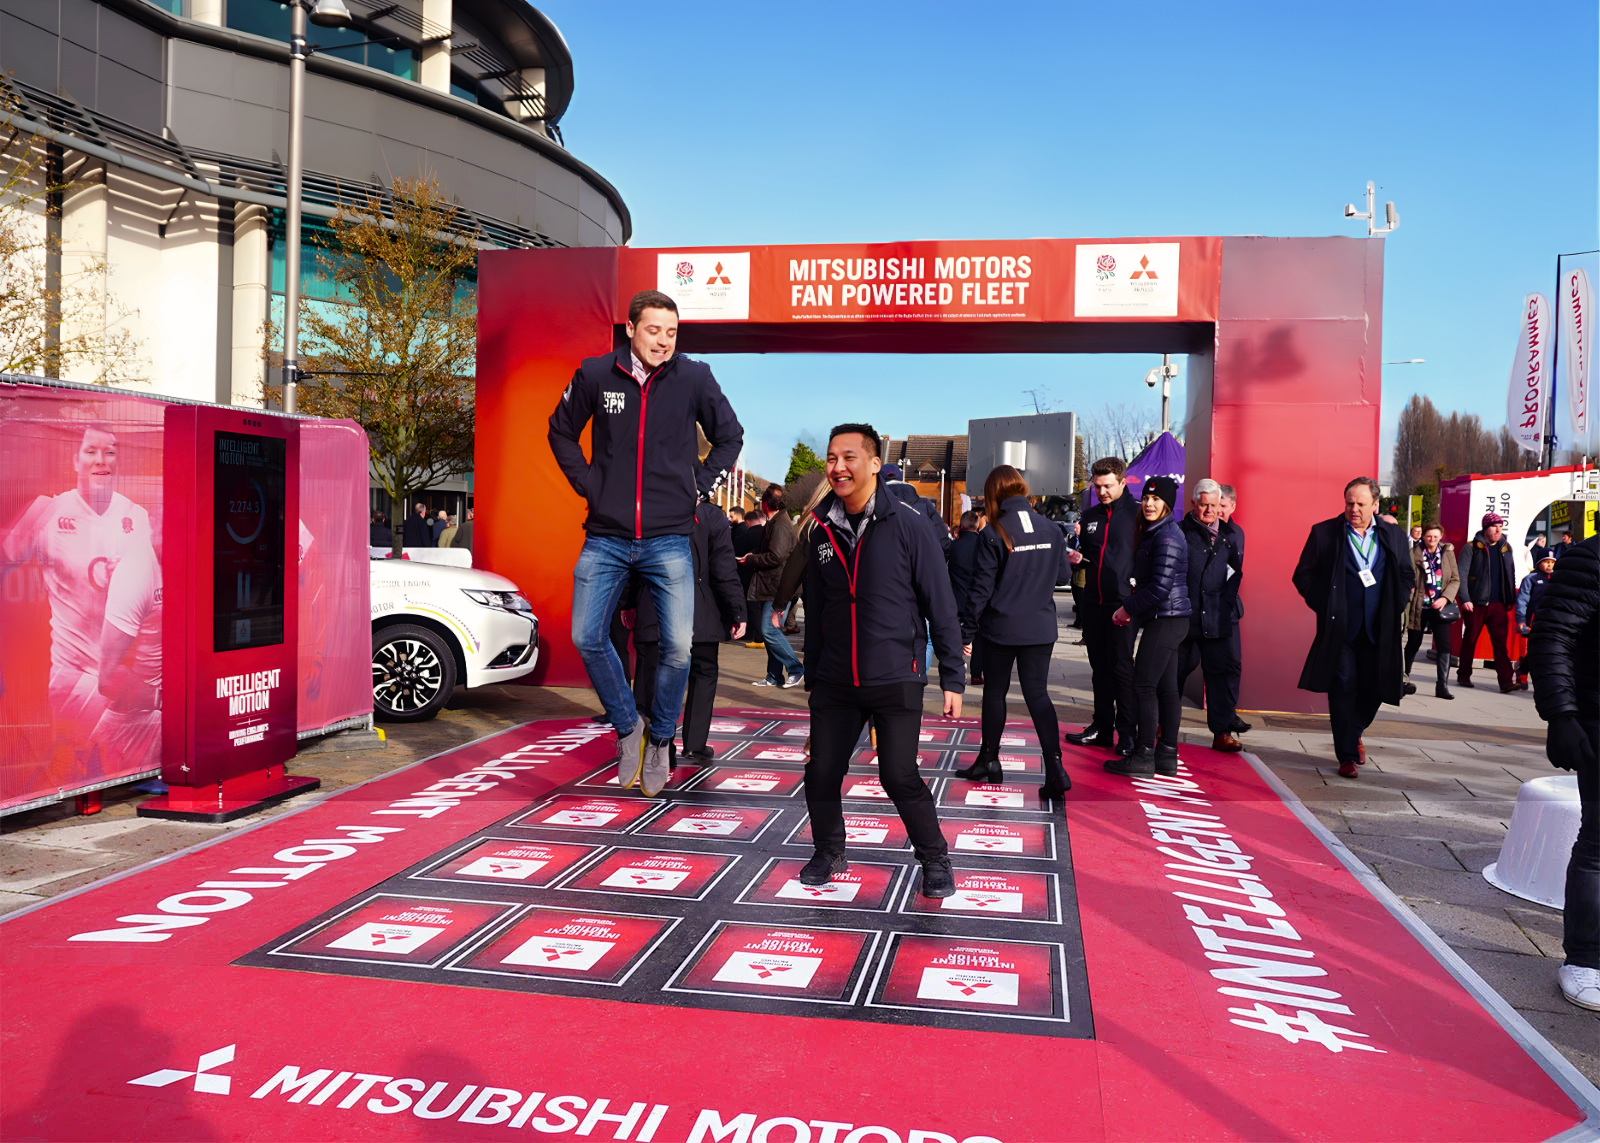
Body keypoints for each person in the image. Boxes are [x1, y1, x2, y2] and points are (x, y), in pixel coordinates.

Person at [547, 288, 745, 795]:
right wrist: (590, 485)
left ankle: (659, 736)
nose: (663, 341)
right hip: (607, 536)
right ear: (631, 329)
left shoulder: (694, 378)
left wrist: (699, 485)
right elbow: (560, 432)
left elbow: (730, 435)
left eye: (672, 333)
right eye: (654, 330)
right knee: (587, 637)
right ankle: (628, 726)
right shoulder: (595, 374)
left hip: (669, 536)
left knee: (679, 646)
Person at [796, 423, 963, 899]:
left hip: (895, 674)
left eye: (849, 457)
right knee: (822, 770)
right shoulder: (821, 529)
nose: (838, 467)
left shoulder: (909, 524)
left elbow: (940, 602)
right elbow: (817, 606)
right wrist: (813, 676)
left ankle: (934, 858)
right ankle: (829, 850)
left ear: (874, 463)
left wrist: (953, 674)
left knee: (898, 773)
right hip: (834, 679)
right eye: (831, 458)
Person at [2, 425, 154, 783]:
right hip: (74, 680)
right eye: (91, 452)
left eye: (110, 452)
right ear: (75, 460)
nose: (101, 461)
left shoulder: (138, 517)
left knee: (125, 776)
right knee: (77, 781)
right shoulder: (47, 513)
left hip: (125, 681)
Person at [956, 465, 1073, 803]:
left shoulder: (993, 532)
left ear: (993, 495)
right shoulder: (1050, 528)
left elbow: (980, 589)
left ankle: (989, 759)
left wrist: (966, 632)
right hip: (1040, 626)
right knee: (1038, 695)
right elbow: (1063, 576)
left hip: (1002, 627)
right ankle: (1055, 768)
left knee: (995, 693)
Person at [1292, 477, 1414, 779]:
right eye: (1349, 503)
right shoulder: (1325, 533)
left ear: (1375, 504)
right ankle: (1346, 754)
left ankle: (1355, 729)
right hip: (1341, 629)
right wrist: (1327, 604)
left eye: (1360, 503)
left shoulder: (1393, 536)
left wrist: (1394, 606)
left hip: (1379, 628)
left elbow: (1406, 574)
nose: (1353, 509)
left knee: (1377, 688)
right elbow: (1302, 576)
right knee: (1343, 685)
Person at [1524, 534, 1599, 1012]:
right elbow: (1553, 636)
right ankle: (1586, 959)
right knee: (1598, 844)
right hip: (1595, 718)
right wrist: (1562, 715)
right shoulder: (1590, 558)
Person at [628, 500, 748, 762]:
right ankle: (693, 744)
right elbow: (724, 568)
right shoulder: (712, 516)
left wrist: (627, 602)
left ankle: (662, 746)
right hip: (699, 612)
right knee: (703, 674)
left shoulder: (647, 509)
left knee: (658, 677)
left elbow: (631, 561)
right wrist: (737, 611)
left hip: (656, 609)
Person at [1106, 477, 1191, 776]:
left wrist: (1126, 609)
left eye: (1156, 500)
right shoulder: (1156, 532)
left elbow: (1159, 587)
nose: (1149, 504)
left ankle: (1143, 754)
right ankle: (1166, 755)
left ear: (1167, 504)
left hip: (1166, 618)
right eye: (1145, 499)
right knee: (1167, 689)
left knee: (1143, 684)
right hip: (1168, 618)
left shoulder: (1166, 536)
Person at [1064, 456, 1138, 757]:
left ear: (1122, 482)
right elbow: (1095, 555)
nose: (1102, 491)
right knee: (1099, 670)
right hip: (1093, 603)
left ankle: (1128, 734)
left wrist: (1134, 599)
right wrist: (1080, 559)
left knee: (1122, 670)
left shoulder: (1137, 514)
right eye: (1098, 486)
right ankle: (1102, 728)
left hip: (1123, 605)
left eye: (1108, 486)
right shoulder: (1091, 515)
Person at [1177, 478, 1245, 752]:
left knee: (1220, 674)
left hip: (1218, 616)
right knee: (1174, 673)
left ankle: (1222, 732)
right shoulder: (1179, 532)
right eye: (1204, 505)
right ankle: (1160, 724)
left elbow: (1235, 573)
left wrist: (1224, 605)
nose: (1209, 511)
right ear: (1194, 504)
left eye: (1214, 505)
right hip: (1185, 614)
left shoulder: (1232, 535)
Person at [742, 485, 802, 688]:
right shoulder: (776, 521)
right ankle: (774, 675)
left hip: (780, 587)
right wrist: (751, 556)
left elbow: (776, 556)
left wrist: (751, 560)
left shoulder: (780, 525)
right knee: (771, 631)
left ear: (765, 503)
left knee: (769, 630)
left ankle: (796, 668)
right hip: (775, 585)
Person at [1458, 512, 1517, 692]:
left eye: (1500, 526)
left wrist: (1510, 599)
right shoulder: (1471, 547)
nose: (1498, 529)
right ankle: (1464, 675)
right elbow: (1461, 575)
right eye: (1494, 526)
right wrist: (1465, 599)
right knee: (1470, 639)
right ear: (1485, 528)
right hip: (1476, 603)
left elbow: (1510, 574)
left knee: (1500, 644)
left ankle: (1506, 682)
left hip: (1498, 603)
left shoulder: (1506, 547)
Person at [1404, 523, 1460, 700]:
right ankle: (1403, 680)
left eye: (1436, 537)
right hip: (1419, 606)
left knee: (1444, 646)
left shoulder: (1447, 553)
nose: (1432, 540)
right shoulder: (1414, 553)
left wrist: (1445, 598)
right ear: (1423, 536)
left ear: (1441, 536)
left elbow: (1455, 579)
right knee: (1413, 643)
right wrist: (1409, 587)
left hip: (1440, 607)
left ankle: (1442, 686)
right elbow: (1406, 574)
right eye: (1429, 536)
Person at [1215, 484, 1251, 737]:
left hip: (1227, 609)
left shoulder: (1237, 533)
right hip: (1199, 609)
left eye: (1222, 507)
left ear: (1232, 506)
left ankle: (1227, 718)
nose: (1217, 511)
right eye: (1214, 505)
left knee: (1232, 665)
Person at [947, 510, 984, 684]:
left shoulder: (953, 546)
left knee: (955, 637)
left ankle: (956, 671)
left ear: (961, 525)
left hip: (957, 598)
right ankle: (976, 673)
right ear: (977, 525)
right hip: (979, 598)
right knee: (980, 638)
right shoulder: (984, 545)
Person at [1513, 551, 1557, 689]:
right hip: (1534, 619)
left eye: (1552, 562)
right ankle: (1523, 672)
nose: (1549, 565)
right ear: (1538, 563)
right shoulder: (1531, 578)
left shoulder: (1557, 578)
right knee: (1536, 648)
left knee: (1549, 649)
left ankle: (1526, 670)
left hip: (1552, 620)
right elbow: (1522, 600)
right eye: (1546, 562)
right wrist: (1521, 620)